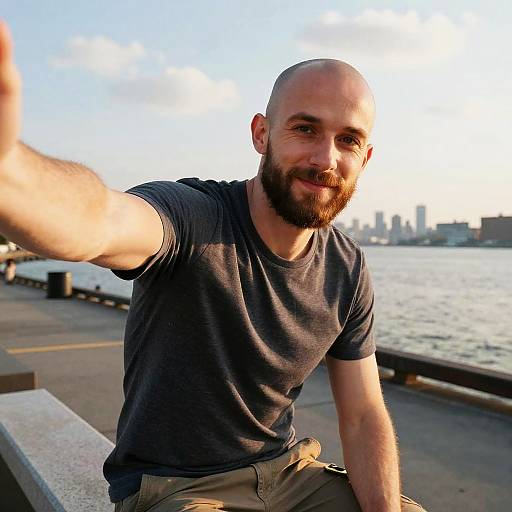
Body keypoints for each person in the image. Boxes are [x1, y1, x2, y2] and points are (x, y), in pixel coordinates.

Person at [0, 20, 426, 512]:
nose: (325, 158)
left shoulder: (346, 267)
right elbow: (98, 218)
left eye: (348, 139)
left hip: (287, 475)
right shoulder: (194, 216)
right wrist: (10, 172)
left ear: (365, 156)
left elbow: (363, 415)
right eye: (305, 128)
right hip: (179, 488)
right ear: (261, 134)